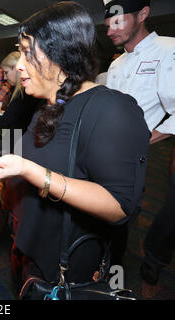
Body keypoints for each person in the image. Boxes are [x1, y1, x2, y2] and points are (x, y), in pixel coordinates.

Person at [0, 1, 150, 293]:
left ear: (60, 54)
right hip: (29, 252)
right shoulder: (48, 104)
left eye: (27, 52)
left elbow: (120, 206)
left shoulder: (112, 110)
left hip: (66, 272)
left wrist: (35, 173)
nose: (19, 64)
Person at [104, 0, 175, 291]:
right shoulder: (116, 63)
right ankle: (105, 267)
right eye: (108, 23)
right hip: (108, 151)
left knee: (121, 217)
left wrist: (143, 139)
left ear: (143, 14)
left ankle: (118, 279)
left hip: (140, 158)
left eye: (118, 21)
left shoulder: (169, 50)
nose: (110, 30)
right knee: (103, 216)